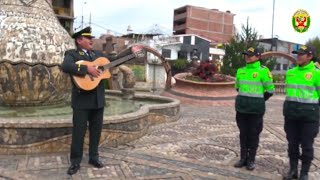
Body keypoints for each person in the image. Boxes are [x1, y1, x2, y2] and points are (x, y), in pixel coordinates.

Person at [62, 26, 140, 175]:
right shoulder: (72, 54)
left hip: (98, 100)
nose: (91, 40)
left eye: (91, 38)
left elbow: (115, 61)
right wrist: (87, 70)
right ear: (79, 40)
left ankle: (93, 157)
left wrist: (132, 52)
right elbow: (65, 66)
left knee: (96, 131)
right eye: (88, 38)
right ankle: (75, 161)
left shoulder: (98, 54)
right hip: (81, 100)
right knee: (79, 132)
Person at [233, 47, 275, 171]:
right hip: (242, 109)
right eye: (246, 55)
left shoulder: (263, 71)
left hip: (256, 110)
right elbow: (237, 88)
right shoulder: (241, 71)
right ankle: (242, 158)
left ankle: (251, 160)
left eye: (250, 55)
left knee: (253, 135)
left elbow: (270, 90)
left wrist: (259, 100)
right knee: (243, 134)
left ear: (258, 57)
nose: (247, 57)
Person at [282, 45, 319, 180]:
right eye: (297, 53)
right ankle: (293, 171)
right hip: (291, 115)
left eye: (301, 54)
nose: (298, 56)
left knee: (307, 145)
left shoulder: (317, 73)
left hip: (309, 116)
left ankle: (304, 173)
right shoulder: (291, 72)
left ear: (310, 56)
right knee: (292, 144)